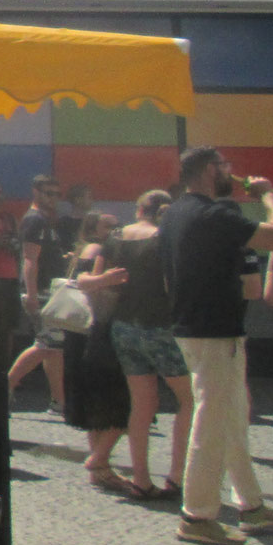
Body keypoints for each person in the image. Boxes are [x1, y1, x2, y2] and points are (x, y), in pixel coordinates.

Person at [162, 147, 273, 545]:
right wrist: (270, 197)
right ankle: (196, 515)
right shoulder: (215, 214)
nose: (231, 173)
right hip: (214, 330)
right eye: (225, 167)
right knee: (212, 422)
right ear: (207, 171)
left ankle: (250, 506)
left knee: (233, 415)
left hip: (196, 327)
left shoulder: (175, 213)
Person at [99, 190, 191, 500]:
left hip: (123, 326)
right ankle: (177, 476)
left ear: (139, 209)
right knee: (189, 400)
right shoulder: (164, 240)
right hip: (160, 326)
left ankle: (141, 478)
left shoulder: (116, 237)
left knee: (142, 404)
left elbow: (101, 277)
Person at [59, 213, 132, 491]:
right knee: (110, 400)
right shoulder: (98, 250)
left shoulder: (82, 248)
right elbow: (88, 284)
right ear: (93, 229)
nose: (115, 230)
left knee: (93, 404)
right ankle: (99, 462)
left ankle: (100, 467)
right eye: (109, 226)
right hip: (91, 329)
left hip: (78, 330)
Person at [6, 176, 71, 411]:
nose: (53, 198)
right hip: (41, 291)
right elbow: (29, 259)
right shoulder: (34, 220)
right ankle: (5, 386)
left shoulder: (43, 220)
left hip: (49, 290)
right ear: (35, 192)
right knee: (45, 344)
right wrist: (31, 294)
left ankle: (59, 400)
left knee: (54, 347)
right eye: (48, 193)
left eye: (56, 194)